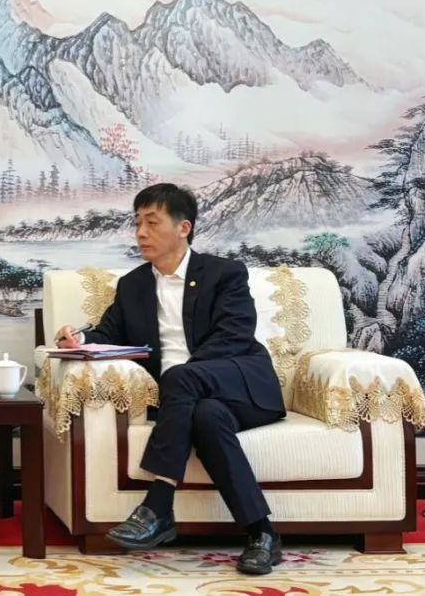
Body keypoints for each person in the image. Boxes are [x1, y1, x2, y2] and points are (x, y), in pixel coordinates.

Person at [56, 183, 285, 575]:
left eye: (152, 222)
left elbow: (234, 337)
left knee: (181, 378)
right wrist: (79, 338)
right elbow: (109, 334)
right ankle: (262, 534)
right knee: (206, 417)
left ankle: (159, 503)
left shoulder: (224, 273)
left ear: (183, 228)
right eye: (137, 223)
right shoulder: (133, 285)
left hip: (240, 385)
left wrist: (187, 376)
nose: (140, 233)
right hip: (188, 404)